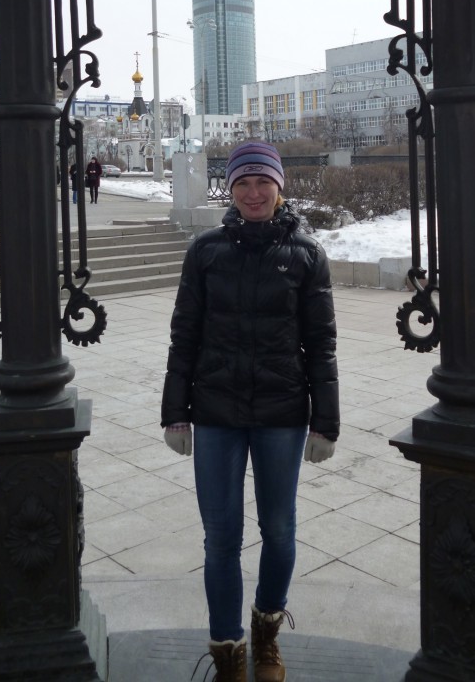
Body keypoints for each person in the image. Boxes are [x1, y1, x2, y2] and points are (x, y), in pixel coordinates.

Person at [161, 141, 339, 682]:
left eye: (263, 182)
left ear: (279, 187)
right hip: (216, 413)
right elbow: (184, 335)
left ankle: (266, 635)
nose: (253, 192)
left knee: (279, 530)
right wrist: (175, 411)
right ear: (231, 189)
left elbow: (321, 343)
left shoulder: (306, 254)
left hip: (282, 414)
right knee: (220, 538)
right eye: (243, 182)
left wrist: (325, 421)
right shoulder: (205, 251)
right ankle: (228, 652)